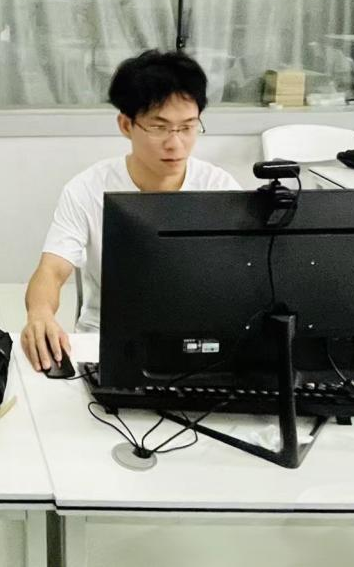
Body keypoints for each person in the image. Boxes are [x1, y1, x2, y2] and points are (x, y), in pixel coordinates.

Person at [21, 50, 241, 372]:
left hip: (199, 345)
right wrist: (40, 314)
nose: (175, 144)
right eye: (159, 128)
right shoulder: (88, 189)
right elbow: (52, 270)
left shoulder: (220, 188)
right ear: (126, 125)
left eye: (187, 128)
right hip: (107, 343)